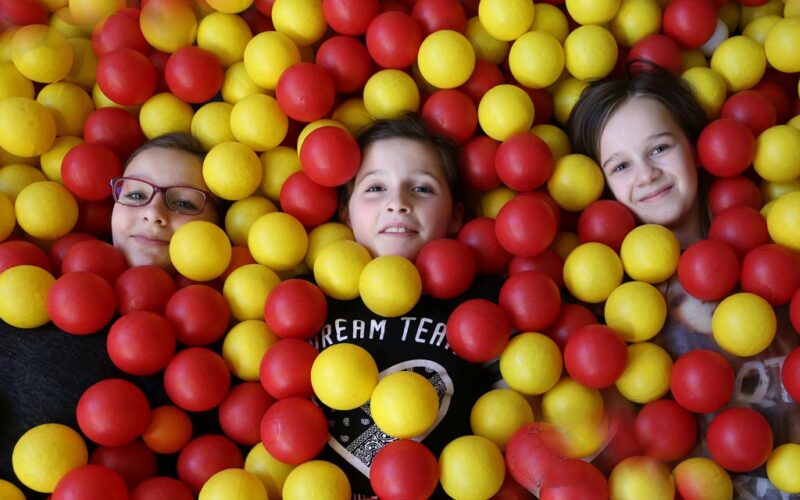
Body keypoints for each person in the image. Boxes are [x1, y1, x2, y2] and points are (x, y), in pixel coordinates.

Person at [568, 66, 800, 499]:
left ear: (696, 149)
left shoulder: (779, 242)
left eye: (659, 148)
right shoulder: (613, 312)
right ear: (603, 186)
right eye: (620, 165)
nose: (646, 174)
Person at [0, 133, 220, 497]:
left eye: (182, 203)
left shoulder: (195, 358)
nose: (154, 212)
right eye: (135, 194)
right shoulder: (33, 279)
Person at [311, 114, 503, 498]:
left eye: (422, 188)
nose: (397, 203)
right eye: (376, 187)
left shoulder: (482, 304)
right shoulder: (314, 297)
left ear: (455, 217)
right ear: (346, 214)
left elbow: (517, 406)